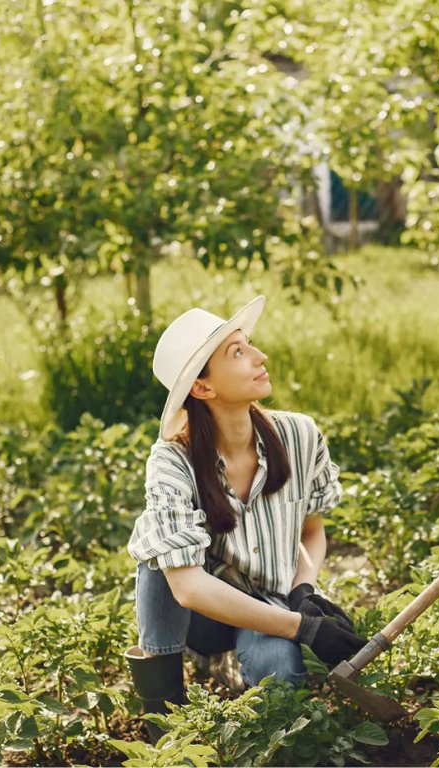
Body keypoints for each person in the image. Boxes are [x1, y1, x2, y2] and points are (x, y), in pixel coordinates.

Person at [124, 296, 365, 732]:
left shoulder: (299, 435)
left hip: (269, 603)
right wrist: (302, 628)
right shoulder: (172, 461)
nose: (260, 356)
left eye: (249, 343)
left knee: (282, 679)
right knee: (158, 558)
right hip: (203, 618)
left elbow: (312, 531)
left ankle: (233, 675)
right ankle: (164, 723)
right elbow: (189, 589)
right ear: (203, 388)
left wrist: (303, 592)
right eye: (238, 352)